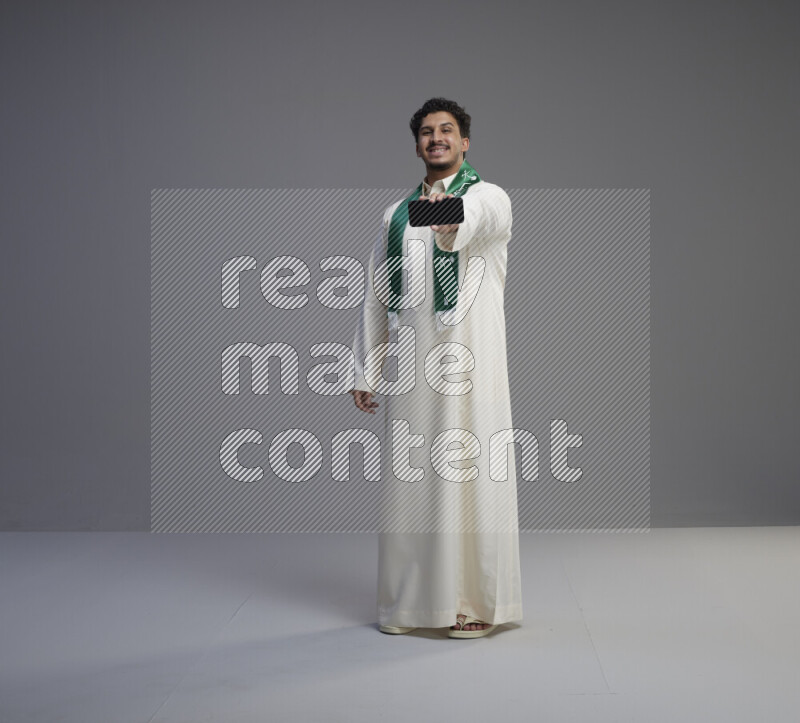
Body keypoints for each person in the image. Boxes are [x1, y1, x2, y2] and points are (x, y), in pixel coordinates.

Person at [350, 97, 523, 639]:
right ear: (417, 143)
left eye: (447, 130)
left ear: (465, 141)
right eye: (426, 132)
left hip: (476, 369)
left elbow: (462, 218)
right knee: (412, 485)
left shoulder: (490, 196)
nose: (436, 139)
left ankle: (473, 604)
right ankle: (411, 604)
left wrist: (424, 208)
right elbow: (378, 294)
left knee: (473, 482)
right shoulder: (393, 216)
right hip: (418, 370)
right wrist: (366, 368)